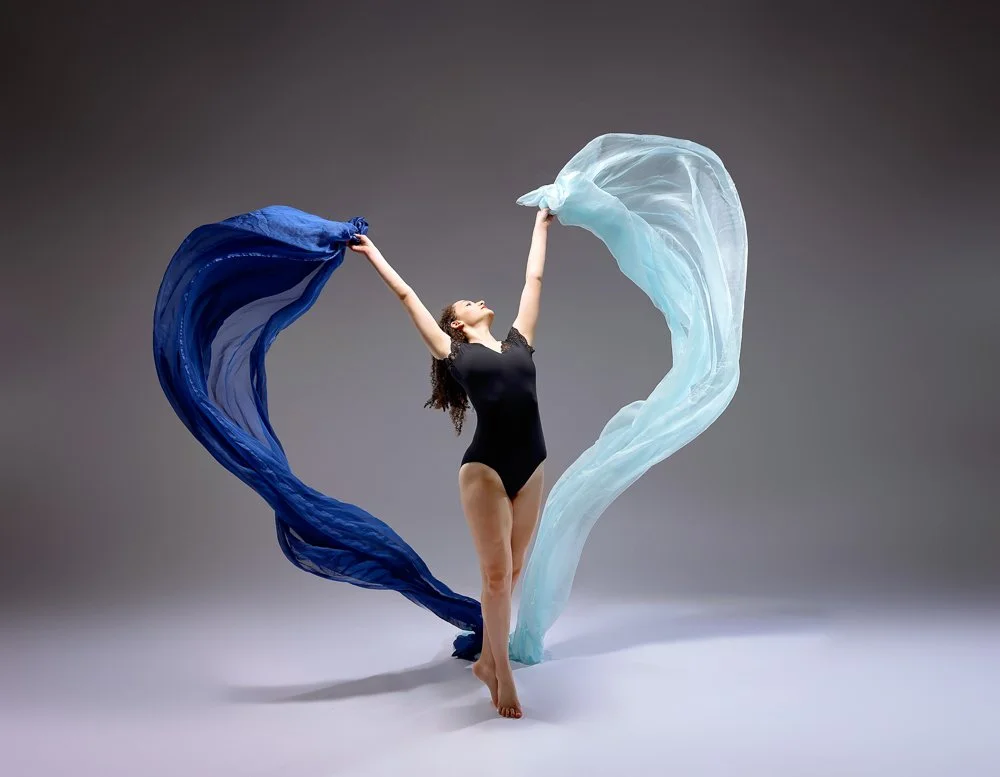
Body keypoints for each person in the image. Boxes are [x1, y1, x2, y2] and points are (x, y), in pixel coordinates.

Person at [348, 207, 555, 718]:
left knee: (516, 568)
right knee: (496, 577)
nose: (480, 299)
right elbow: (406, 297)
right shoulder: (452, 351)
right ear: (457, 324)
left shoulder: (517, 341)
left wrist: (541, 225)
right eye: (467, 302)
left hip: (532, 465)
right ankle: (500, 672)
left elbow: (534, 278)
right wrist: (373, 254)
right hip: (485, 470)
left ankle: (487, 660)